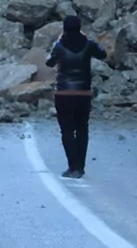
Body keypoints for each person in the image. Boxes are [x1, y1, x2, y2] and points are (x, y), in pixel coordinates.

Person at [45, 15, 107, 179]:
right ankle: (81, 167)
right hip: (83, 93)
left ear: (64, 28)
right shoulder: (88, 44)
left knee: (66, 130)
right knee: (82, 129)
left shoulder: (59, 45)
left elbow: (49, 62)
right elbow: (103, 54)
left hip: (63, 93)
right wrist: (88, 39)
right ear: (80, 28)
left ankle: (72, 167)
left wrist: (57, 43)